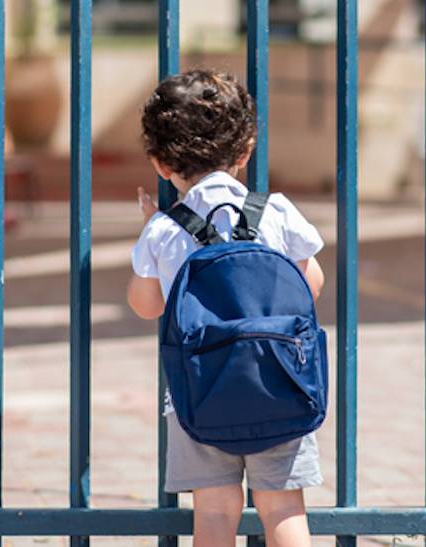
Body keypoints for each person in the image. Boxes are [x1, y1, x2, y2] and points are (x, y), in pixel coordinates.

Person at [127, 69, 325, 547]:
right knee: (283, 508)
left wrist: (153, 233)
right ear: (244, 152)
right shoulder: (274, 210)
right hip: (280, 384)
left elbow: (147, 306)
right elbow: (311, 285)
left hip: (199, 395)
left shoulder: (164, 230)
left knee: (214, 512)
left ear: (159, 163)